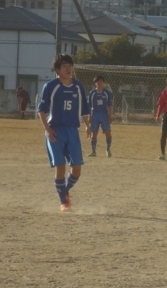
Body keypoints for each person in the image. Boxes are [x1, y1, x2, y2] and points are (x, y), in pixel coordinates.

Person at [37, 54, 90, 212]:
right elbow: (41, 110)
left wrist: (88, 126)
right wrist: (48, 129)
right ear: (58, 70)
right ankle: (64, 201)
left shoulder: (78, 86)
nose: (69, 69)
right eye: (65, 66)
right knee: (60, 166)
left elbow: (84, 110)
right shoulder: (51, 86)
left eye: (70, 65)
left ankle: (64, 190)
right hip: (56, 131)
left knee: (77, 168)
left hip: (72, 131)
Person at [87, 75, 113, 157]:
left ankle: (108, 149)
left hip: (104, 114)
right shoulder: (92, 93)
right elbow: (89, 106)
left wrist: (110, 115)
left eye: (101, 81)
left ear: (103, 82)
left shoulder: (107, 93)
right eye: (97, 81)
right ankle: (93, 151)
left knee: (107, 132)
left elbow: (110, 105)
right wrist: (89, 116)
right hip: (95, 114)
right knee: (94, 133)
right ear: (95, 83)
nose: (99, 83)